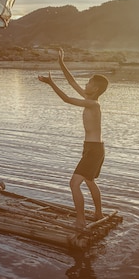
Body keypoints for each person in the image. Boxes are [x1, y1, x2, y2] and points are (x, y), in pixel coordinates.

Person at [38, 48, 109, 230]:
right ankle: (98, 213)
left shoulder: (93, 103)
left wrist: (51, 83)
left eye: (89, 83)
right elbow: (71, 82)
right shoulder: (88, 98)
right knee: (89, 180)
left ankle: (81, 220)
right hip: (91, 148)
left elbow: (67, 99)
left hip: (94, 150)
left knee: (74, 183)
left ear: (96, 89)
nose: (85, 84)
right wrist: (61, 62)